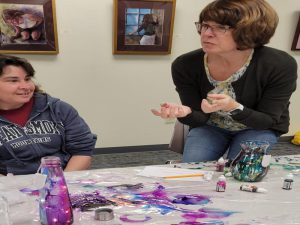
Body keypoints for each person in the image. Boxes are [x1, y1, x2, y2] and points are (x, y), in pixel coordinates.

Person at [152, 0, 298, 163]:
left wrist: (233, 108)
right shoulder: (185, 65)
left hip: (257, 128)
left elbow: (267, 120)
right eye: (205, 25)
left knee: (241, 172)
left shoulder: (279, 65)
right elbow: (199, 118)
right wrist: (186, 113)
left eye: (221, 28)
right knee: (193, 167)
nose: (206, 33)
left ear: (250, 31)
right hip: (211, 127)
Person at [0, 55, 97, 175]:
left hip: (64, 179)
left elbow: (82, 152)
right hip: (11, 186)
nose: (26, 86)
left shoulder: (58, 108)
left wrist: (60, 184)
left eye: (27, 79)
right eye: (13, 81)